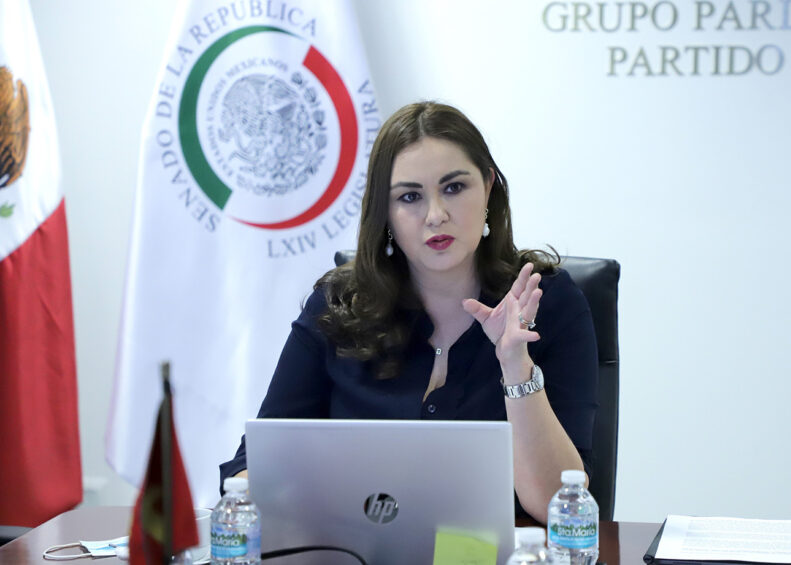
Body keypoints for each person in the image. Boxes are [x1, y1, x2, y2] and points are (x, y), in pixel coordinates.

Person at [219, 101, 598, 522]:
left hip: (491, 552)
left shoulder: (546, 303)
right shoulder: (337, 307)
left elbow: (558, 507)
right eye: (410, 197)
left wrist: (515, 365)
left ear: (488, 187)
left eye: (454, 188)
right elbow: (254, 464)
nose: (436, 215)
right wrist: (259, 496)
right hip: (355, 547)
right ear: (385, 213)